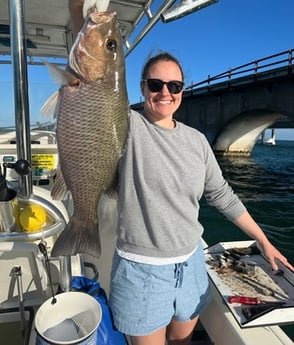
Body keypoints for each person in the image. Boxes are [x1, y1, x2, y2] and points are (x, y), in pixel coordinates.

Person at [68, 2, 294, 344]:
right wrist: (80, 18)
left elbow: (222, 196)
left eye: (174, 86)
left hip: (190, 265)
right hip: (140, 271)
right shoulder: (125, 124)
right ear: (142, 88)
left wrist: (264, 240)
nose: (165, 93)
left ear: (182, 92)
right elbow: (94, 85)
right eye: (156, 84)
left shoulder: (196, 142)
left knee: (182, 342)